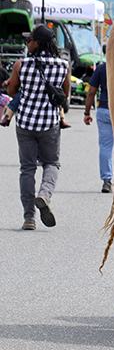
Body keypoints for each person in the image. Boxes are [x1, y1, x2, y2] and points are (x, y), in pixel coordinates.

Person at [7, 25, 70, 230]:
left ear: (37, 42)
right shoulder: (63, 65)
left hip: (25, 122)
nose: (27, 43)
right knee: (51, 163)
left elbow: (12, 89)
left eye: (30, 40)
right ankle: (44, 194)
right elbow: (64, 94)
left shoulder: (21, 64)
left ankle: (29, 218)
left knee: (27, 169)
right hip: (49, 124)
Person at [83, 61, 114, 193]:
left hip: (104, 109)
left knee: (105, 146)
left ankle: (107, 181)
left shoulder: (102, 68)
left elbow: (91, 92)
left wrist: (87, 112)